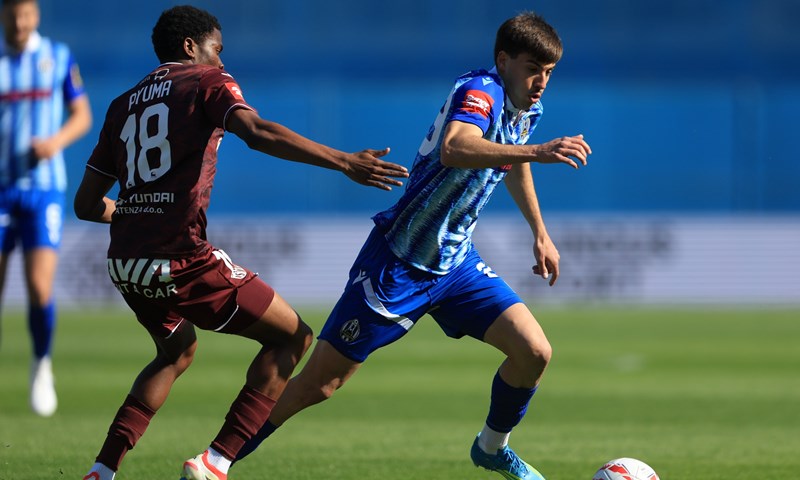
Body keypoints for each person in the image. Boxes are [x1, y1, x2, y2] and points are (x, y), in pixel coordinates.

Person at [234, 11, 592, 480]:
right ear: (503, 60)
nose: (541, 81)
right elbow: (457, 146)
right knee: (317, 386)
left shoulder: (525, 106)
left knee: (534, 352)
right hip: (399, 263)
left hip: (456, 264)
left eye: (549, 72)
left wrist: (539, 232)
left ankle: (491, 447)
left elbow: (515, 157)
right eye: (532, 69)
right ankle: (219, 458)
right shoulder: (479, 90)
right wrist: (539, 151)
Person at [73, 5, 408, 480]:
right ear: (191, 47)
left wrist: (134, 213)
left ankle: (102, 470)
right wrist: (343, 161)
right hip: (179, 258)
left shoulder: (122, 103)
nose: (222, 61)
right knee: (293, 336)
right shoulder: (206, 82)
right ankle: (215, 461)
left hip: (126, 262)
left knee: (176, 351)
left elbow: (87, 206)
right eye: (218, 50)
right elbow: (257, 132)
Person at [0, 0, 92, 417]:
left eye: (26, 14)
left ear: (35, 15)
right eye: (12, 14)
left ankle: (41, 365)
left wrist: (54, 143)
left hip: (43, 190)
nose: (20, 21)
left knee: (39, 287)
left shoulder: (57, 57)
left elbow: (82, 115)